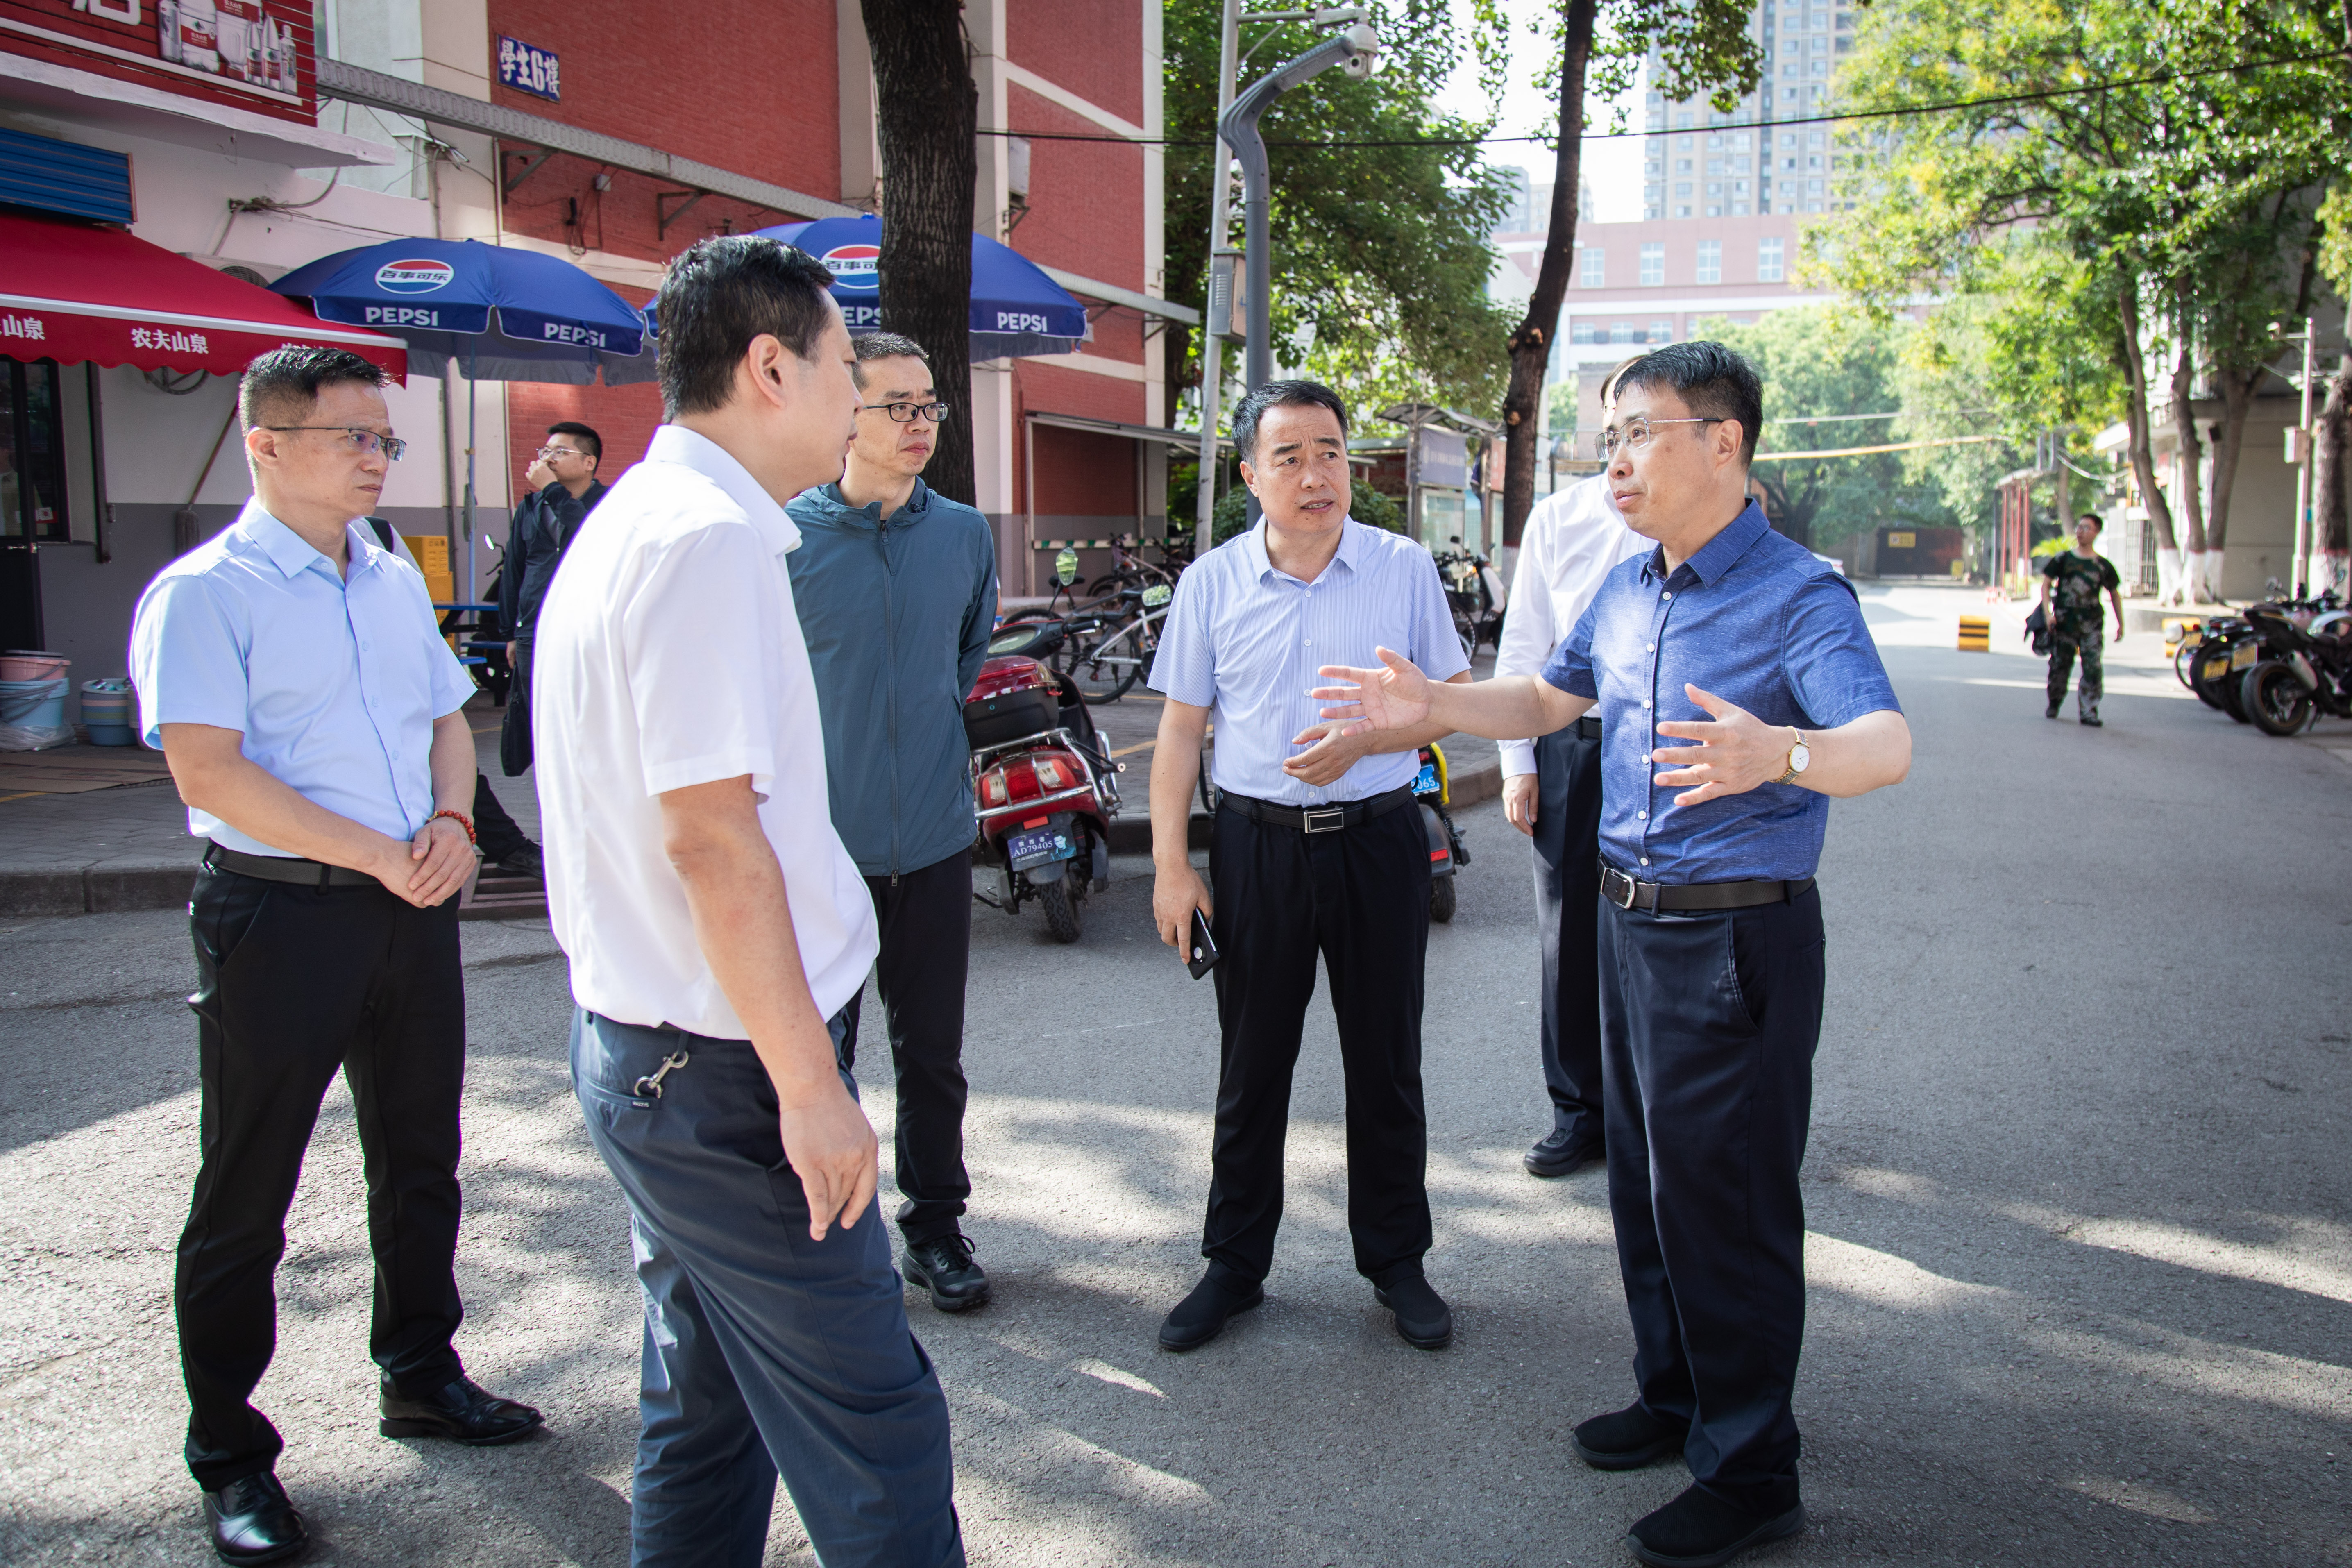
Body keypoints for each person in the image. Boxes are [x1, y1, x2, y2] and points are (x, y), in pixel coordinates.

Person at [1311, 343, 1911, 1568]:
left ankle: (1751, 1471)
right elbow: (1546, 699)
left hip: (1734, 934)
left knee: (1725, 1204)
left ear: (1723, 443)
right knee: (1643, 1183)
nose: (1615, 460)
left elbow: (1883, 743)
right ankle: (1676, 1395)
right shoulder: (1633, 585)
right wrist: (1435, 706)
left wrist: (1782, 754)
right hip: (1629, 922)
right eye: (1610, 438)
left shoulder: (1798, 594)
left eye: (1640, 433)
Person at [532, 236, 963, 1568]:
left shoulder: (647, 521)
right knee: (876, 1427)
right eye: (843, 369)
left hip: (662, 1056)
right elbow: (712, 840)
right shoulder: (707, 541)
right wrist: (811, 1087)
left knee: (706, 1411)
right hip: (724, 1078)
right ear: (769, 367)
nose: (859, 400)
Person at [129, 345, 544, 1567]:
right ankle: (230, 1454)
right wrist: (378, 852)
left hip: (408, 904)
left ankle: (420, 1371)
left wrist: (457, 822)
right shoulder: (205, 592)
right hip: (279, 915)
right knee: (245, 1186)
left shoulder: (389, 574)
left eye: (385, 440)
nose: (377, 459)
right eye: (353, 438)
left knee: (420, 1156)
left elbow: (444, 719)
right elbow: (209, 771)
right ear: (266, 443)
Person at [1146, 379, 1473, 1355]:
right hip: (1256, 848)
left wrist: (1374, 737)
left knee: (1385, 1059)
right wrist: (1171, 866)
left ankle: (1397, 1259)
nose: (1314, 473)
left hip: (1377, 836)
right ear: (1251, 475)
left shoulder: (1400, 568)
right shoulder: (1212, 583)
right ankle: (1233, 1262)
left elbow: (1455, 700)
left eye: (1328, 451)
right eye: (1288, 456)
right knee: (1251, 1064)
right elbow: (1179, 732)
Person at [786, 332, 999, 1314]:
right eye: (897, 406)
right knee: (819, 1061)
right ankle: (829, 1238)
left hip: (936, 840)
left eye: (929, 406)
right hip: (820, 850)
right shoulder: (786, 537)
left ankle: (935, 1225)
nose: (920, 424)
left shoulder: (962, 534)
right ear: (847, 414)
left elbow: (962, 659)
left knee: (933, 1056)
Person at [1496, 358, 1650, 1180]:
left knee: (1657, 928)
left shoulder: (1688, 520)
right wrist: (1516, 763)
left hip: (1660, 742)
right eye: (1616, 424)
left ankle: (1648, 1114)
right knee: (1567, 934)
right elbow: (1523, 642)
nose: (1625, 442)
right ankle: (1577, 1111)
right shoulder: (1559, 518)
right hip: (1570, 743)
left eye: (1644, 425)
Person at [498, 420, 607, 779]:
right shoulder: (530, 506)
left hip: (586, 630)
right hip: (533, 630)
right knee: (541, 725)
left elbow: (592, 541)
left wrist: (553, 490)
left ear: (589, 462)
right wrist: (510, 633)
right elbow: (515, 570)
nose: (549, 459)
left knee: (585, 721)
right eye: (545, 452)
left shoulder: (609, 504)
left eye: (560, 451)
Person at [2040, 512, 2125, 727]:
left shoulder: (2102, 565)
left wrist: (2121, 624)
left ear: (2097, 533)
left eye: (2087, 528)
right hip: (2064, 624)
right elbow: (2046, 584)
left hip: (2091, 626)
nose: (2081, 532)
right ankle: (2055, 701)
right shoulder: (2063, 559)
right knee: (2060, 666)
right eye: (2079, 527)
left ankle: (2089, 710)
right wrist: (2048, 614)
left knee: (2093, 668)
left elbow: (2114, 594)